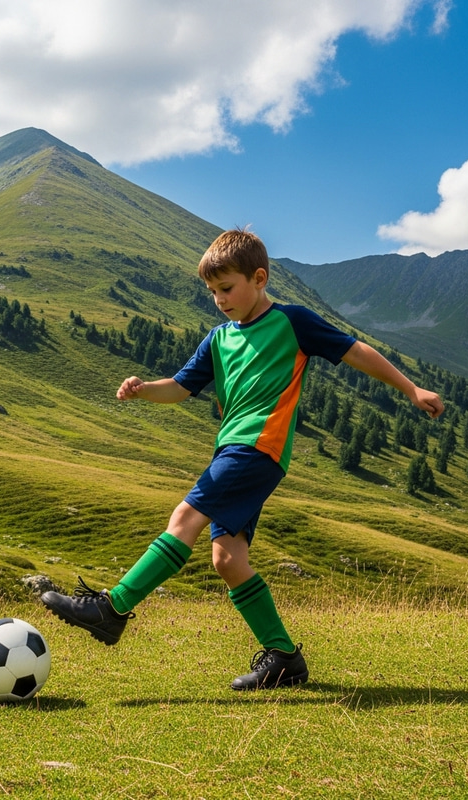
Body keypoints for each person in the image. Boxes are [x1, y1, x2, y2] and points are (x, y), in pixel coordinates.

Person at [41, 228, 445, 690]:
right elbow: (181, 387)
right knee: (228, 558)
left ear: (259, 278)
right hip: (235, 449)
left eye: (227, 288)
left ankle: (111, 609)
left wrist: (412, 389)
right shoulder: (219, 339)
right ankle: (285, 659)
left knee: (184, 518)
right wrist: (143, 389)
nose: (219, 299)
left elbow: (356, 351)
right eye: (212, 291)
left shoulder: (293, 322)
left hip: (258, 447)